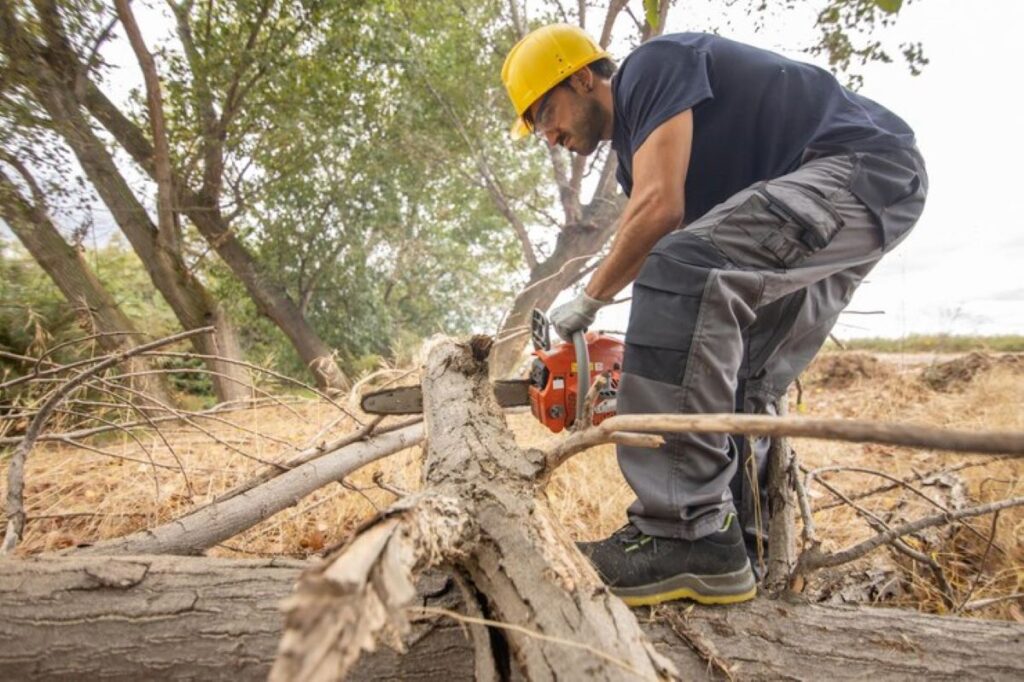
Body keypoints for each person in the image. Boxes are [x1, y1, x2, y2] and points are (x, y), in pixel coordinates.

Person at [500, 24, 927, 606]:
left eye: (547, 112)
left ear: (582, 77)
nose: (549, 134)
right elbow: (698, 295)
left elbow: (662, 219)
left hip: (859, 167)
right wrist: (642, 369)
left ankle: (681, 529)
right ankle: (738, 558)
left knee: (680, 270)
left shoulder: (652, 67)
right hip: (868, 202)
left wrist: (586, 304)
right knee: (744, 375)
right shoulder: (635, 160)